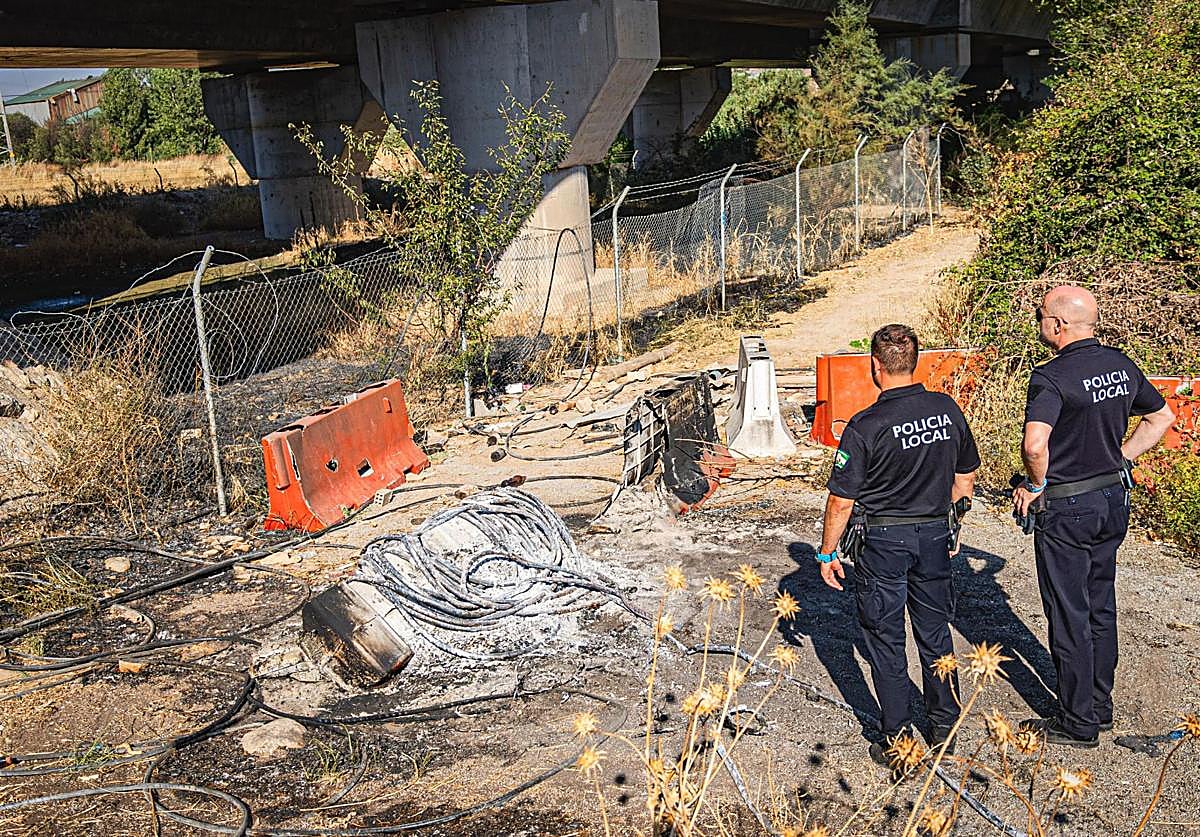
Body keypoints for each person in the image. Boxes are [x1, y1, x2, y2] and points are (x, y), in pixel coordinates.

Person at [1012, 285, 1175, 747]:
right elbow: (1161, 419)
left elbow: (1034, 444)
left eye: (1042, 315)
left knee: (1069, 611)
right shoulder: (1120, 365)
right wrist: (1120, 458)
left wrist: (1035, 484)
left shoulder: (1051, 376)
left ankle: (1077, 720)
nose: (1040, 322)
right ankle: (1099, 704)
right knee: (1100, 603)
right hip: (1111, 500)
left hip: (1067, 506)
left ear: (1058, 325)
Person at [818, 324, 979, 766]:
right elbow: (965, 476)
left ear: (874, 366)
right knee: (934, 631)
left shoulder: (866, 425)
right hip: (933, 535)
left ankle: (897, 739)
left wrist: (827, 552)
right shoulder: (946, 410)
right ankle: (945, 722)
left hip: (883, 543)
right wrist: (952, 526)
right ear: (916, 362)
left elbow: (841, 500)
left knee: (885, 639)